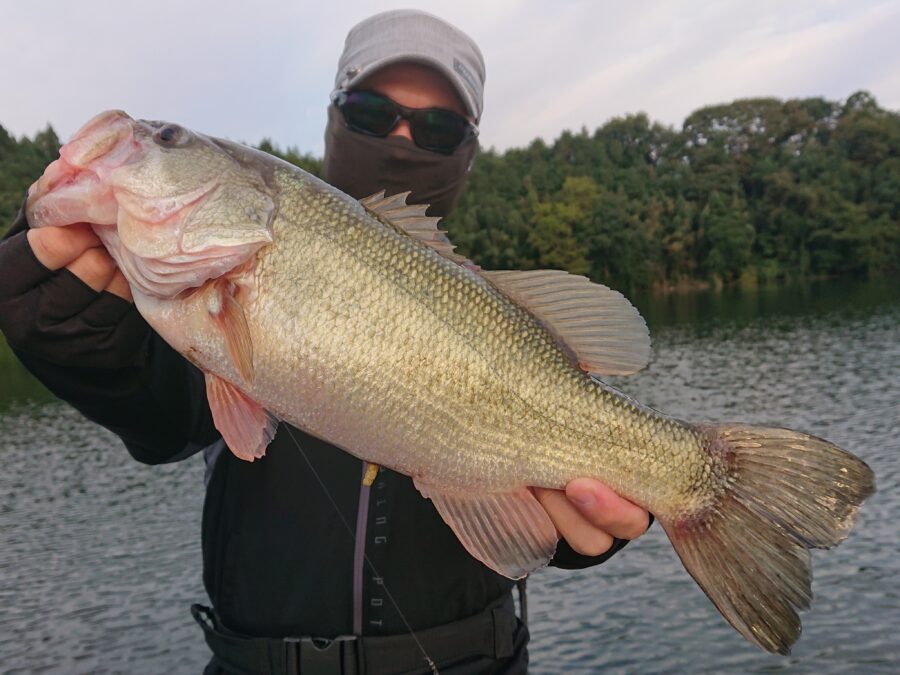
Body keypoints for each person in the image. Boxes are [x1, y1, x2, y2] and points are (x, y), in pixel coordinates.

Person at [0, 9, 649, 674]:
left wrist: (592, 506)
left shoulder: (498, 314)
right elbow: (165, 412)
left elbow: (528, 521)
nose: (401, 139)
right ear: (334, 118)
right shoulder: (185, 300)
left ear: (467, 149)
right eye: (371, 111)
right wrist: (82, 341)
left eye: (437, 127)